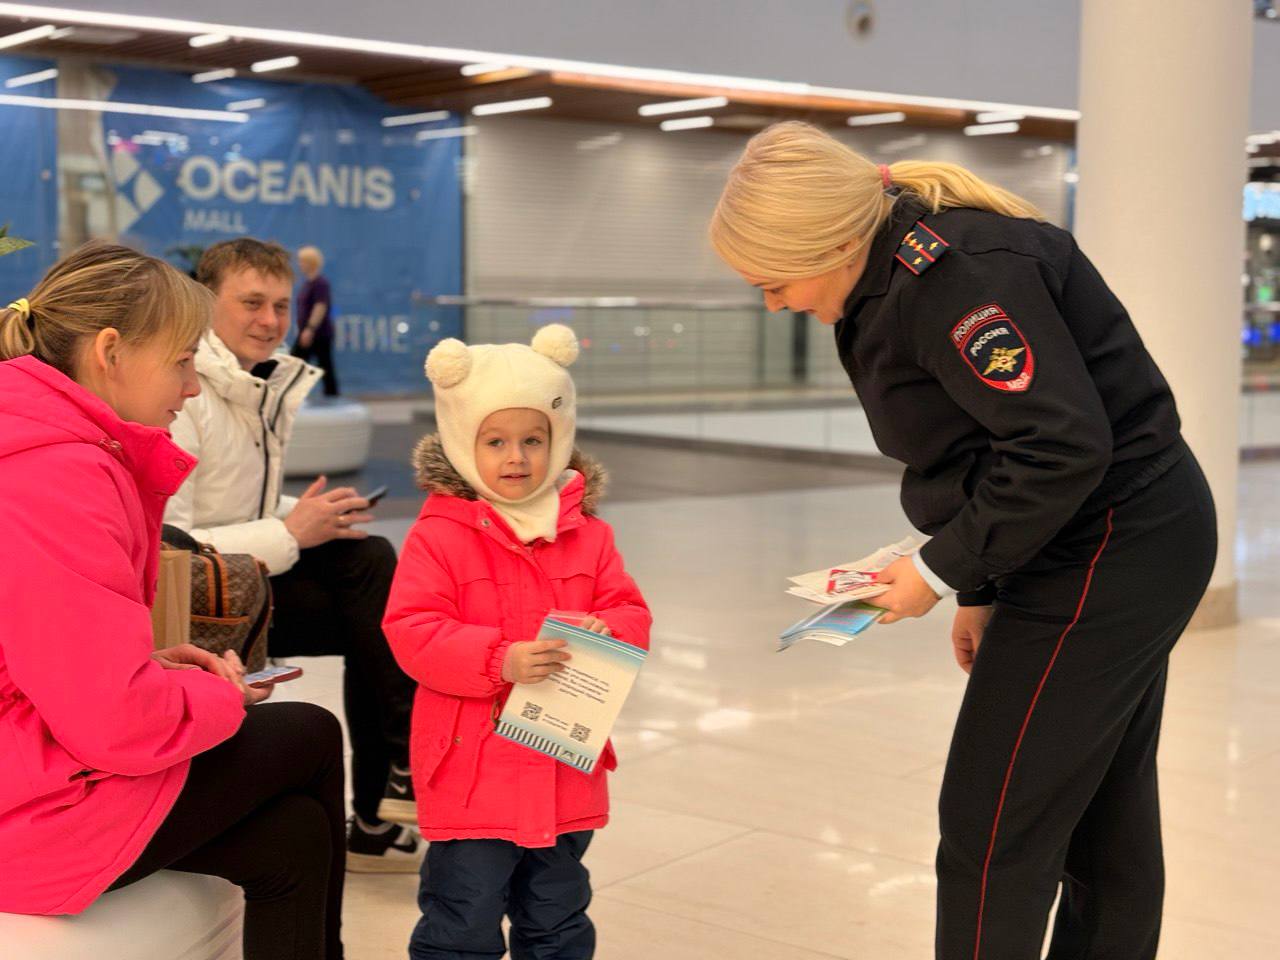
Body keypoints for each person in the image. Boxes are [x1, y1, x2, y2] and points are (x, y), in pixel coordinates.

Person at [709, 122, 1216, 960]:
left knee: (994, 826)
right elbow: (978, 446)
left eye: (773, 281)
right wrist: (979, 589)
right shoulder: (887, 273)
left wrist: (938, 569)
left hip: (1115, 542)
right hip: (1092, 534)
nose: (773, 304)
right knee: (1096, 810)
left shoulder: (958, 279)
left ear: (833, 240)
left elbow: (1060, 446)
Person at [0, 241, 347, 960]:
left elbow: (46, 650)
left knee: (294, 839)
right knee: (310, 732)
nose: (192, 387)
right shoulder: (58, 473)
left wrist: (153, 662)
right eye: (183, 360)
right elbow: (113, 720)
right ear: (110, 352)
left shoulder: (45, 448)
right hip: (26, 804)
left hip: (30, 763)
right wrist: (219, 697)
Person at [383, 324, 651, 960]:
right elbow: (411, 629)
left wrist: (606, 630)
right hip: (472, 772)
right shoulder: (439, 537)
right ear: (459, 441)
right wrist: (498, 658)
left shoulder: (588, 534)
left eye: (535, 440)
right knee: (462, 921)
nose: (517, 458)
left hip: (563, 765)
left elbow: (630, 608)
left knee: (558, 919)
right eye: (496, 441)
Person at [164, 237, 421, 872]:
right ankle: (396, 779)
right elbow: (167, 548)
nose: (271, 320)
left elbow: (232, 502)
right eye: (252, 302)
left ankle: (384, 798)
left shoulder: (253, 385)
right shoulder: (185, 397)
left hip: (245, 580)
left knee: (371, 575)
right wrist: (291, 534)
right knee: (373, 599)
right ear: (204, 304)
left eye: (281, 305)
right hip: (196, 606)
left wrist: (302, 516)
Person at [292, 245, 339, 396]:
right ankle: (294, 396)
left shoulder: (320, 283)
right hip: (308, 332)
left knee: (318, 366)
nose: (299, 264)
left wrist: (310, 329)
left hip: (318, 334)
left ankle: (332, 399)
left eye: (302, 261)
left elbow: (320, 306)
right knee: (301, 365)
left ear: (310, 262)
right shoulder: (307, 284)